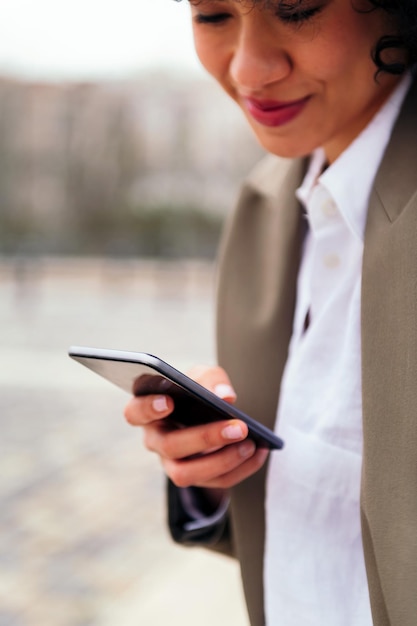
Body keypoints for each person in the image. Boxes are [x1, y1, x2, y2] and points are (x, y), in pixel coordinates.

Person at [124, 1, 417, 624]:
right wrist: (212, 475)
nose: (249, 68)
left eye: (296, 8)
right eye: (211, 15)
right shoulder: (263, 207)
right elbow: (331, 541)